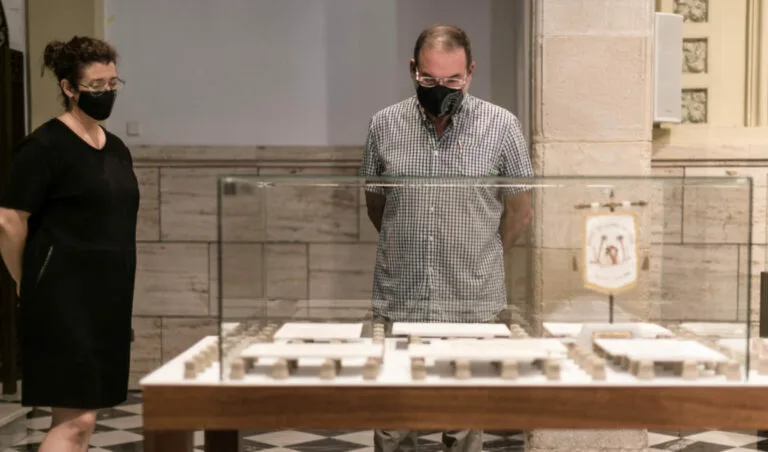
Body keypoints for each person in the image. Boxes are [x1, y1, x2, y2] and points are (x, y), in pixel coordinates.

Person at [360, 24, 534, 452]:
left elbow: (520, 212)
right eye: (429, 79)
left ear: (470, 72)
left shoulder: (502, 126)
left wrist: (481, 255)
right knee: (394, 421)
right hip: (401, 295)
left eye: (453, 80)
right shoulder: (384, 125)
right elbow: (377, 206)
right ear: (413, 70)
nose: (441, 89)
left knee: (463, 420)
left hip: (470, 298)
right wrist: (409, 247)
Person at [0, 36, 139, 452]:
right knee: (77, 420)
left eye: (113, 84)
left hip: (108, 299)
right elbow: (9, 220)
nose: (107, 92)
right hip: (62, 297)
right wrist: (26, 280)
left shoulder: (117, 149)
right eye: (96, 85)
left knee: (84, 417)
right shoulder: (44, 146)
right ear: (68, 87)